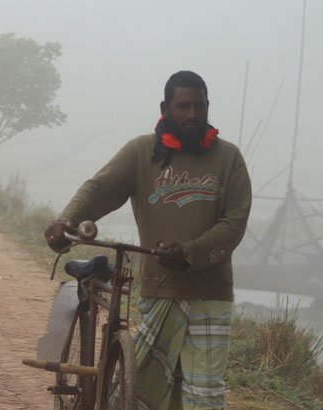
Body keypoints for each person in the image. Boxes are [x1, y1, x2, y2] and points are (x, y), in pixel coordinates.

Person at [45, 71, 251, 409]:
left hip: (210, 296)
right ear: (166, 108)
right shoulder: (142, 152)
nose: (193, 114)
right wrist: (67, 220)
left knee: (204, 395)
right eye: (183, 106)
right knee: (142, 388)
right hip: (159, 290)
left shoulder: (228, 158)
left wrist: (190, 252)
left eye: (199, 106)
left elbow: (235, 223)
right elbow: (99, 190)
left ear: (208, 107)